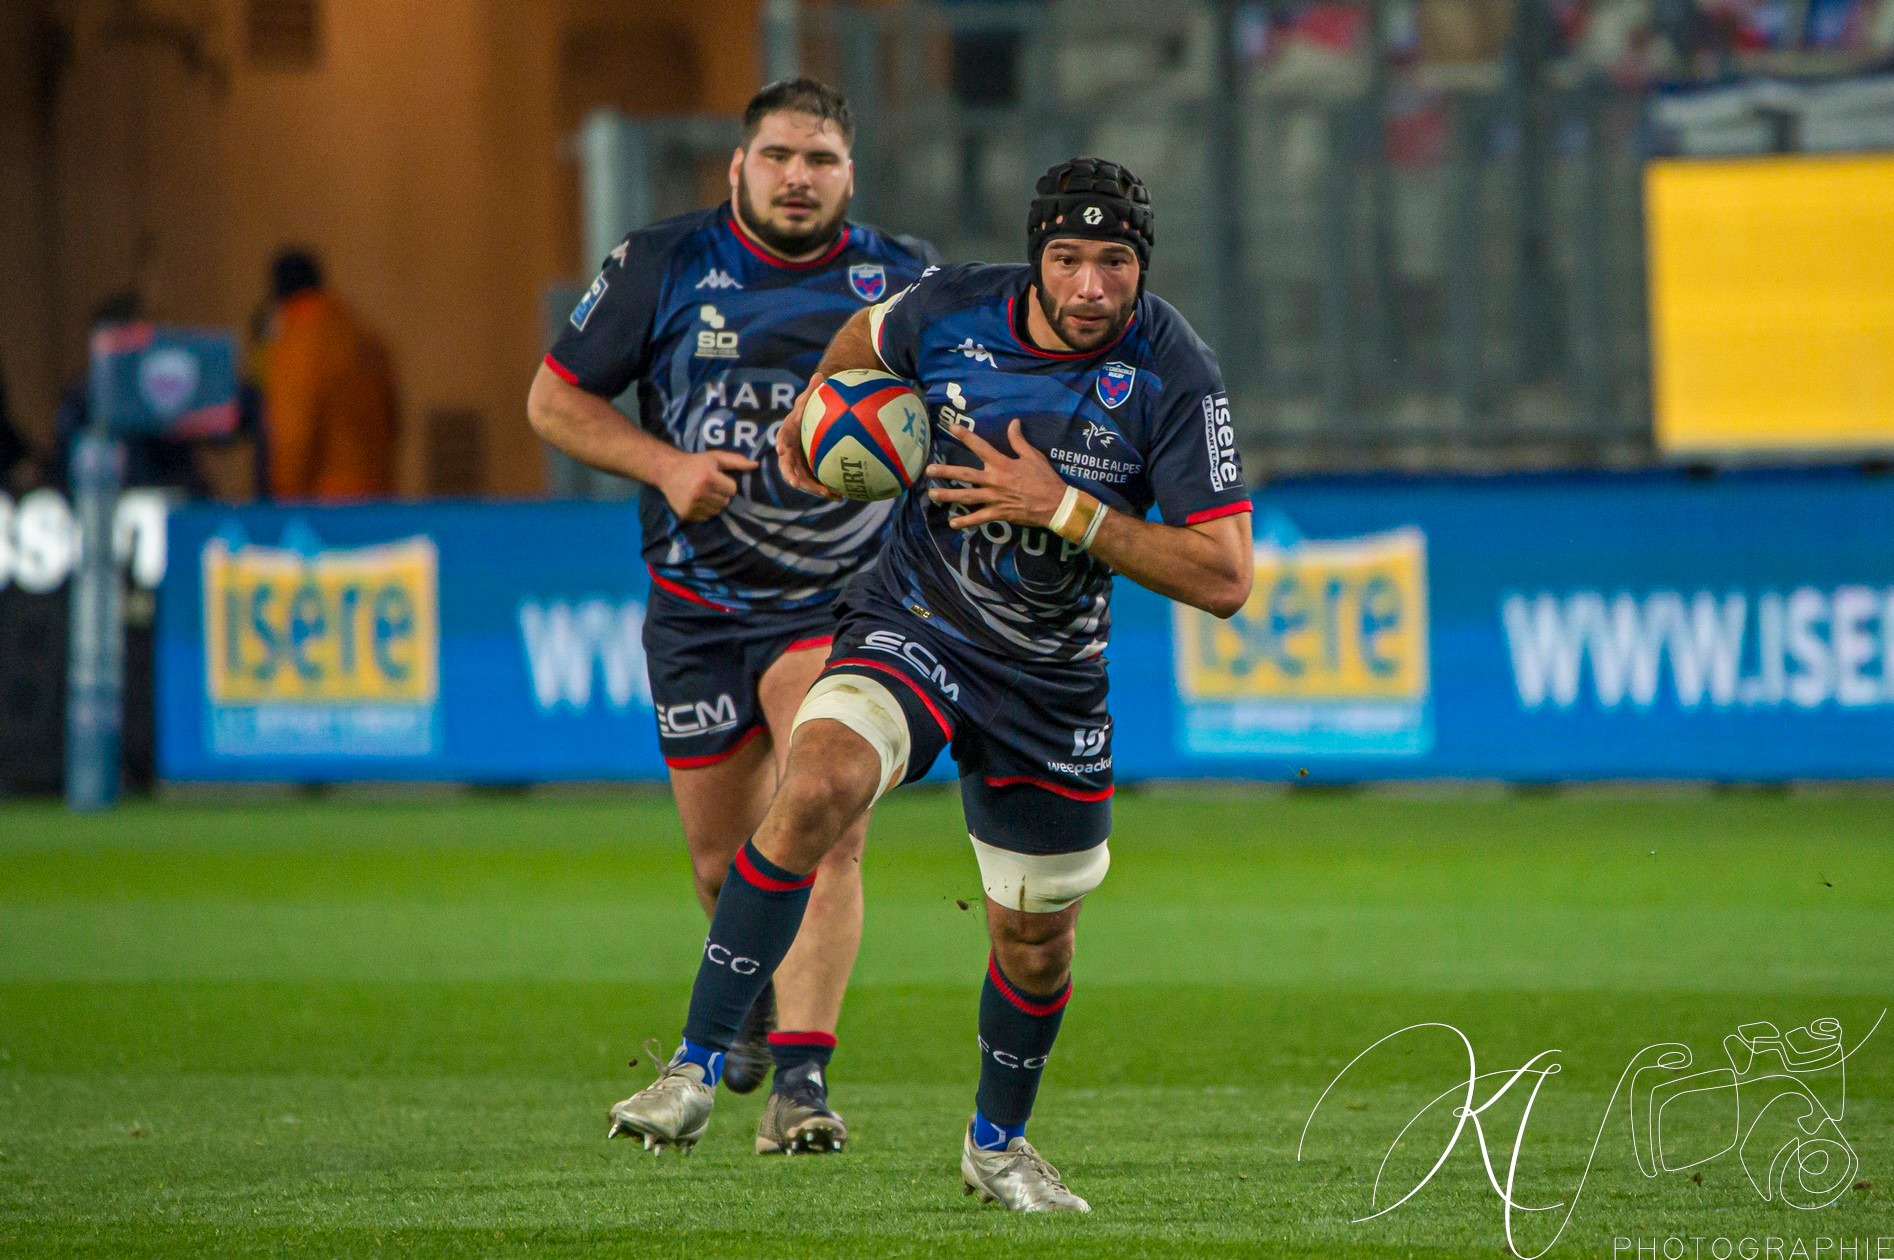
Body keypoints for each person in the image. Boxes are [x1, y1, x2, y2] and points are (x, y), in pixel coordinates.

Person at [603, 157, 1255, 1211]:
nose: (1092, 288)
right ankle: (693, 1067)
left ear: (1143, 266)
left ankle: (997, 1145)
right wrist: (824, 413)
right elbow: (864, 342)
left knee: (1035, 943)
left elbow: (1225, 577)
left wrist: (1065, 509)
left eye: (1115, 263)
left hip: (1049, 682)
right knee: (815, 785)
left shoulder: (1175, 371)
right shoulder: (949, 309)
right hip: (915, 622)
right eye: (1069, 260)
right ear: (1036, 257)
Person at [527, 78, 938, 1155]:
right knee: (723, 863)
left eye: (820, 160)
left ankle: (801, 1084)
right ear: (736, 168)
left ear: (850, 175)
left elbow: (969, 410)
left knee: (828, 818)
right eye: (777, 157)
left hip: (840, 604)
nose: (796, 177)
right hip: (698, 604)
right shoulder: (663, 264)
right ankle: (746, 1000)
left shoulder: (903, 283)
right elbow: (553, 400)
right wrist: (664, 464)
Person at [259, 249, 398, 501]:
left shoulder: (299, 338)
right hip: (377, 491)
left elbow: (293, 434)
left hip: (322, 501)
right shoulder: (360, 331)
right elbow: (393, 418)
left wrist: (286, 500)